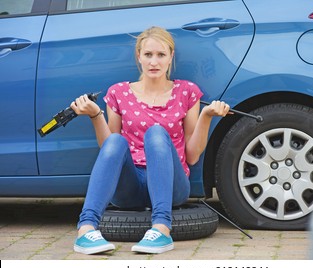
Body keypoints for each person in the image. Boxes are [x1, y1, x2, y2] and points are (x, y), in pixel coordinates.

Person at [71, 26, 230, 255]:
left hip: (172, 183)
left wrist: (206, 116)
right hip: (131, 185)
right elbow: (110, 151)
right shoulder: (118, 93)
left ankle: (161, 229)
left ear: (170, 57)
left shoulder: (186, 91)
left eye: (160, 55)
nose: (154, 62)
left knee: (156, 133)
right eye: (148, 55)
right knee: (116, 140)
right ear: (138, 56)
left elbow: (192, 156)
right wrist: (96, 115)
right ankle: (85, 230)